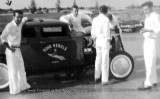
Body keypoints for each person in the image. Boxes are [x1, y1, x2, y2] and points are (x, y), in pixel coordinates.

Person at [0, 10, 30, 94]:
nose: (19, 19)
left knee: (21, 69)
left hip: (18, 50)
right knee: (13, 71)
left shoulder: (19, 24)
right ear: (13, 17)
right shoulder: (9, 26)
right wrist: (9, 48)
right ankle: (14, 90)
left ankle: (23, 86)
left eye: (20, 17)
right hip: (11, 50)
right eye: (17, 17)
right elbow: (2, 37)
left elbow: (24, 19)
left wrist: (27, 19)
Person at [138, 1, 160, 90]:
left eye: (146, 9)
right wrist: (144, 30)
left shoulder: (155, 16)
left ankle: (148, 84)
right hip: (147, 40)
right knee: (150, 62)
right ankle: (154, 81)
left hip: (152, 41)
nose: (145, 11)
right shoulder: (148, 16)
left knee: (149, 63)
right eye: (144, 10)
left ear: (151, 7)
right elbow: (149, 29)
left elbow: (158, 29)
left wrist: (147, 30)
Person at [91, 5, 111, 85]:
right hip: (104, 40)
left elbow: (92, 32)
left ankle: (96, 77)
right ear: (106, 11)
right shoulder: (106, 19)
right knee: (105, 60)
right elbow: (106, 32)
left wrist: (95, 40)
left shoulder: (95, 19)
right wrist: (109, 41)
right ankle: (104, 80)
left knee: (98, 59)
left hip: (98, 40)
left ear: (99, 11)